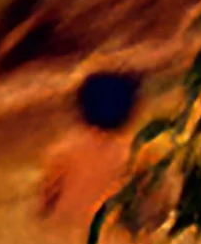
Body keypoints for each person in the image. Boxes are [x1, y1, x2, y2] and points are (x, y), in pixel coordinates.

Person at [36, 68, 145, 228]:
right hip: (117, 235)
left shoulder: (61, 152)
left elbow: (44, 207)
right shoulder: (139, 154)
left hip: (66, 232)